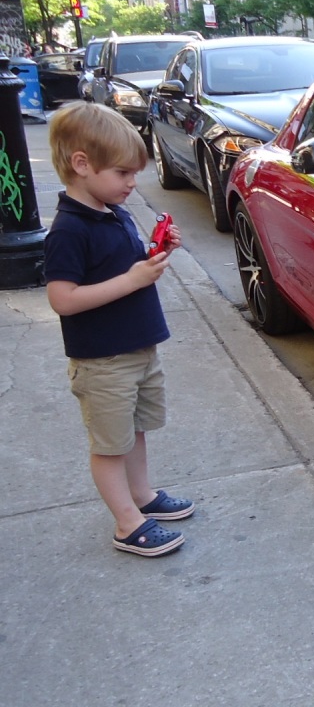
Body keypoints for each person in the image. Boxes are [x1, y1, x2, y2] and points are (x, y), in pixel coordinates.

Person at [43, 102, 191, 558]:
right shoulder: (68, 230)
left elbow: (118, 266)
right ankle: (127, 523)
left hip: (137, 347)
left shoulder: (111, 210)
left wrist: (154, 252)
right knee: (110, 444)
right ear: (81, 165)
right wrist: (132, 280)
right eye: (123, 173)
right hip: (103, 359)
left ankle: (142, 496)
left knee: (135, 430)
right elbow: (62, 298)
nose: (132, 183)